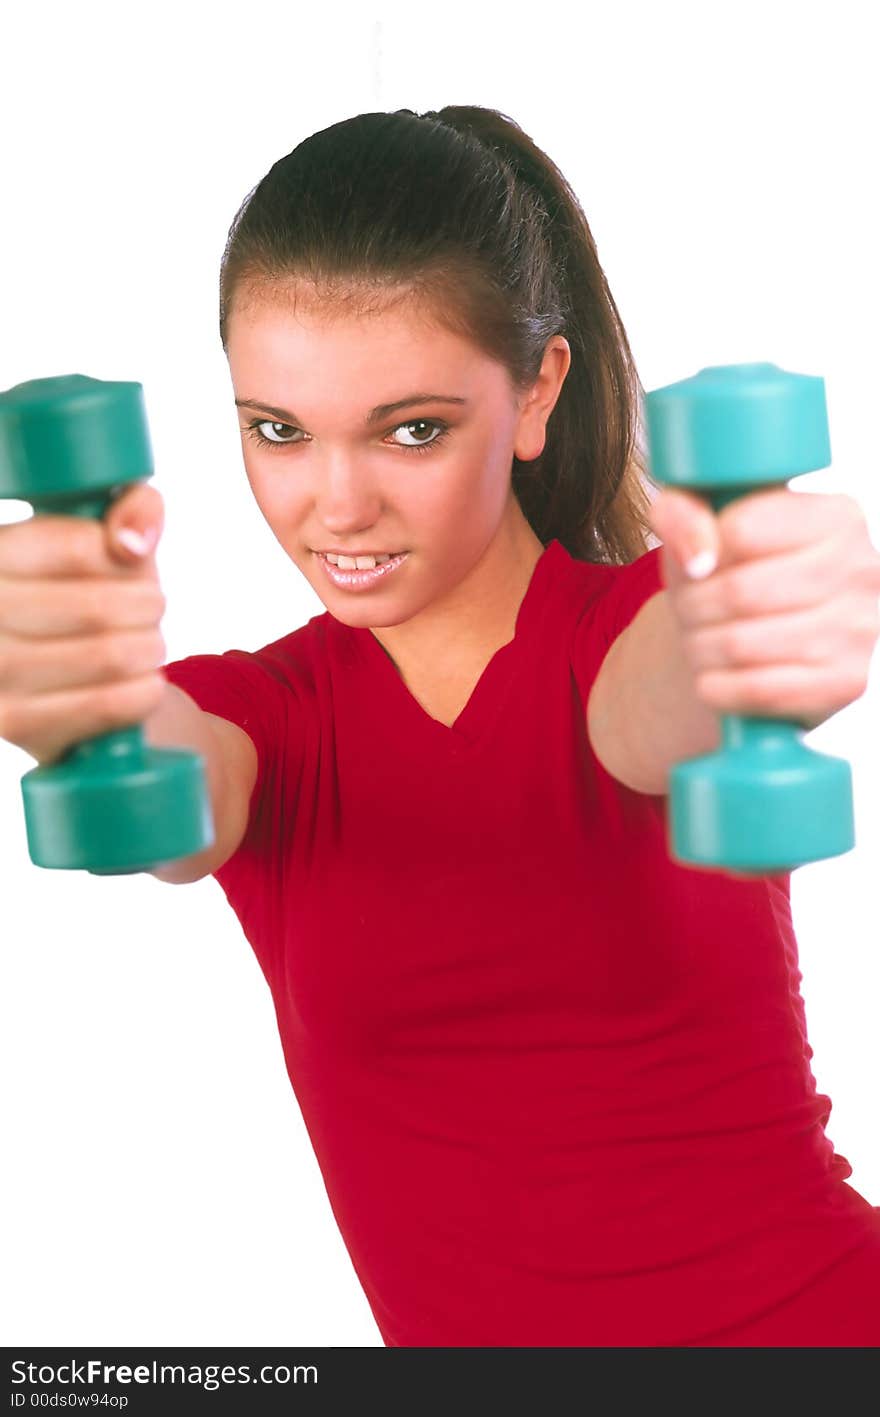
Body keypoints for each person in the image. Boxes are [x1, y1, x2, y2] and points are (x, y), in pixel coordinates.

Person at [124, 107, 880, 1343]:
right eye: (279, 431)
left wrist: (740, 619)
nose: (338, 503)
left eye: (411, 427)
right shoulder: (267, 718)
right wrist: (82, 695)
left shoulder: (623, 628)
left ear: (535, 392)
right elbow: (161, 785)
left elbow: (653, 702)